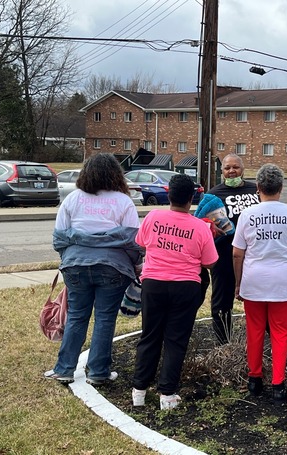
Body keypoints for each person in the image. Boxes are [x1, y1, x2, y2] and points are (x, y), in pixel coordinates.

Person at [45, 153, 141, 385]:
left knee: (77, 316)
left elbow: (59, 238)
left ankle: (64, 369)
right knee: (105, 318)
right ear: (115, 174)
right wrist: (133, 265)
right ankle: (98, 372)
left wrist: (72, 256)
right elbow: (133, 242)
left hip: (76, 265)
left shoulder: (72, 199)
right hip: (113, 268)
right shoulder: (123, 202)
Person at [132, 173, 218, 410]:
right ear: (191, 199)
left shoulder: (153, 217)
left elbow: (141, 243)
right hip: (185, 287)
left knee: (149, 335)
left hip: (153, 284)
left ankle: (139, 390)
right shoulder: (200, 227)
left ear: (168, 195)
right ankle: (167, 394)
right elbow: (210, 262)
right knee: (175, 340)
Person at [232, 164, 287, 401]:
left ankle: (254, 379)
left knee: (255, 331)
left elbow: (237, 253)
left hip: (253, 281)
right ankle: (278, 384)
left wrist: (238, 283)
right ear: (281, 187)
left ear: (258, 187)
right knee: (281, 333)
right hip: (282, 282)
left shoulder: (248, 214)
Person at [205, 154, 259, 344]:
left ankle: (265, 342)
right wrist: (211, 228)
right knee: (221, 303)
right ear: (222, 171)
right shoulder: (213, 194)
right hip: (224, 257)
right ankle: (224, 344)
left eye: (235, 167)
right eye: (227, 168)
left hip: (255, 257)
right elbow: (201, 224)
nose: (231, 171)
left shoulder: (256, 190)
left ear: (243, 169)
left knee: (260, 302)